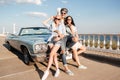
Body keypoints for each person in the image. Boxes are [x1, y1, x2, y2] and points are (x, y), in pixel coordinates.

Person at [42, 15, 66, 80]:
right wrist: (50, 18)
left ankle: (46, 71)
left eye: (59, 19)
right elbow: (43, 22)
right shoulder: (51, 26)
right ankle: (57, 70)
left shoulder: (62, 25)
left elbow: (64, 34)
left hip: (58, 41)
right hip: (51, 41)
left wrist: (59, 37)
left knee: (51, 54)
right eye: (56, 18)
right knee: (54, 55)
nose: (57, 20)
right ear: (54, 19)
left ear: (60, 20)